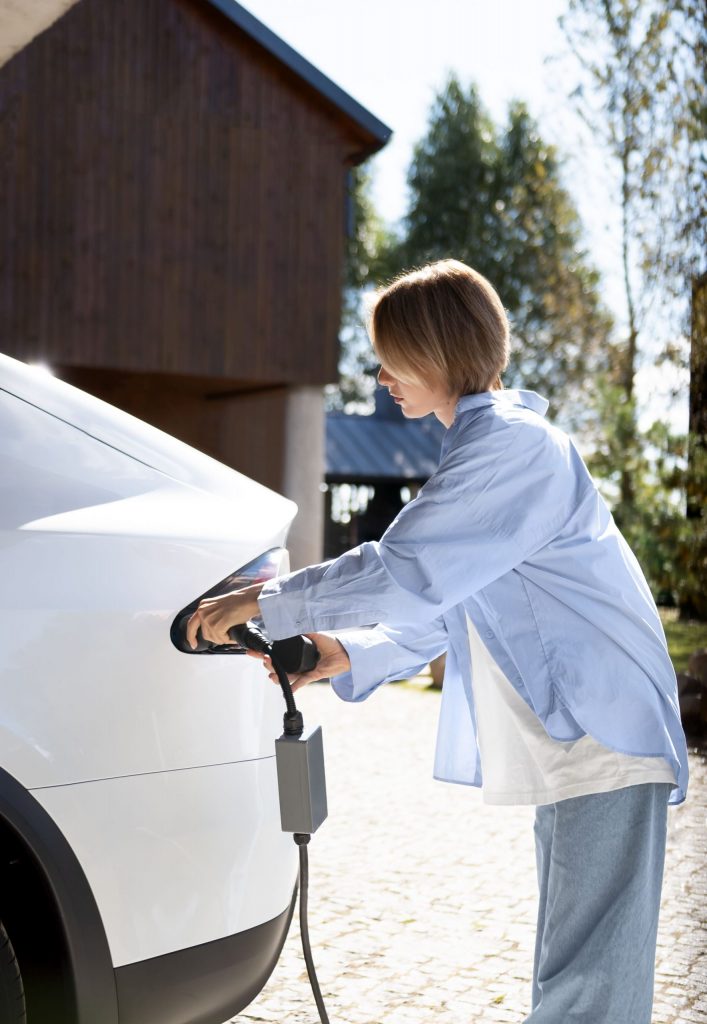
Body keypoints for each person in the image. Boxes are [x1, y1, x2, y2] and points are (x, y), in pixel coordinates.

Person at [186, 259, 688, 1023]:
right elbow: (455, 601)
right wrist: (350, 653)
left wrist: (267, 598)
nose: (381, 374)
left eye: (392, 355)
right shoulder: (483, 451)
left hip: (603, 734)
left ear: (437, 350)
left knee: (587, 980)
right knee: (577, 967)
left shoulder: (514, 447)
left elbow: (406, 567)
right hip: (579, 741)